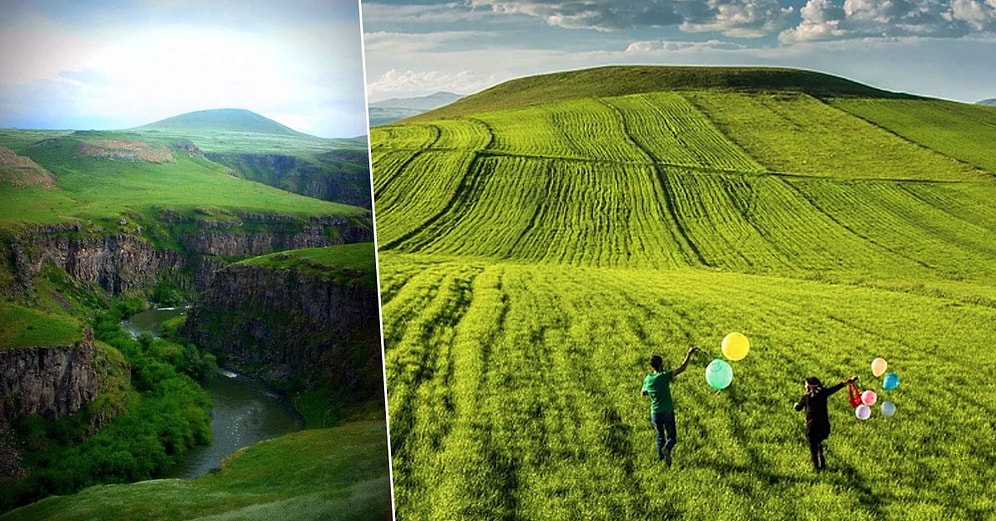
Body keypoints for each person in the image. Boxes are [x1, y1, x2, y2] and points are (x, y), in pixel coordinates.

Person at [641, 346, 698, 466]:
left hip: (655, 413)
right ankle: (667, 448)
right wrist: (689, 353)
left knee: (660, 436)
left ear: (651, 366)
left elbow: (643, 393)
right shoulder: (664, 376)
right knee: (672, 437)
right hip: (667, 411)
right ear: (661, 364)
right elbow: (682, 368)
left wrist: (653, 390)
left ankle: (661, 460)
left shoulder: (648, 379)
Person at [794, 375, 858, 472]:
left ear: (810, 385)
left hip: (812, 426)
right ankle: (822, 460)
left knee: (813, 446)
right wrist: (847, 382)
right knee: (818, 441)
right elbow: (835, 388)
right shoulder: (823, 393)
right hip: (824, 425)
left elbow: (798, 408)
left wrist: (795, 405)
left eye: (806, 384)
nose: (805, 386)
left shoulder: (805, 397)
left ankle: (817, 467)